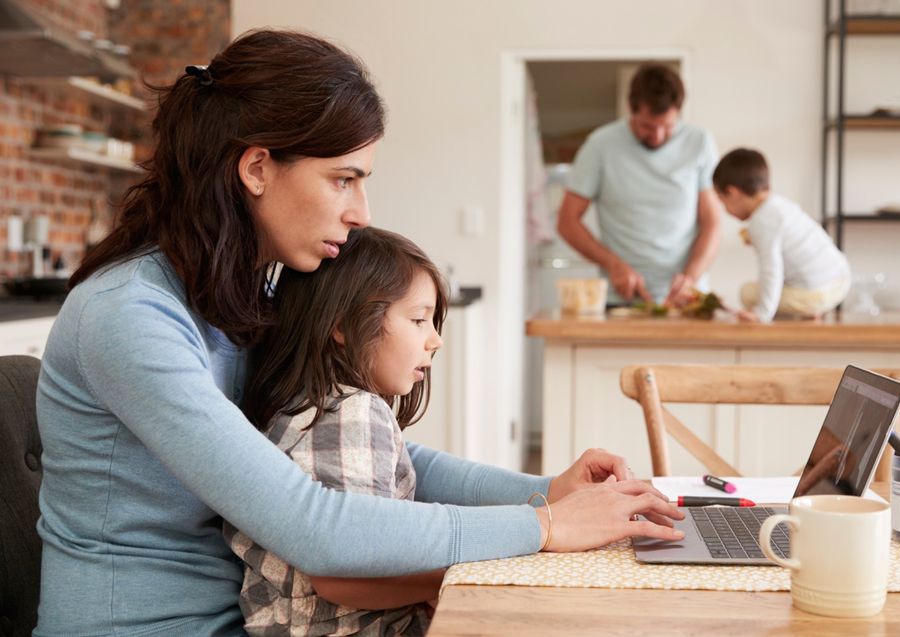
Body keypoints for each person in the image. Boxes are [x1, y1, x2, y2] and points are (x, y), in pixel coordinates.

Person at [34, 29, 683, 635]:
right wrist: (544, 525)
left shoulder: (244, 294)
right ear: (257, 168)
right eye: (343, 178)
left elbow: (379, 450)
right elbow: (312, 525)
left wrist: (547, 490)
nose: (360, 212)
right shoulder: (130, 317)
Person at [225, 227, 448, 636]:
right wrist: (456, 576)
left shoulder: (301, 405)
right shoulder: (352, 412)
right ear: (343, 325)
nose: (435, 339)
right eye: (419, 319)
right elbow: (347, 573)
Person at [556, 62, 722, 307]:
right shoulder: (600, 146)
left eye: (667, 126)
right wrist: (612, 264)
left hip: (686, 300)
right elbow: (567, 222)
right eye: (647, 126)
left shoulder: (699, 142)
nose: (657, 136)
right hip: (620, 300)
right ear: (631, 111)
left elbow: (712, 222)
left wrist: (691, 277)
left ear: (678, 112)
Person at [712, 147, 851, 323]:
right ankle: (809, 311)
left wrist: (761, 313)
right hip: (840, 281)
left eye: (722, 202)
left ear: (733, 193)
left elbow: (771, 269)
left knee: (748, 293)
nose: (725, 210)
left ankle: (805, 309)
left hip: (816, 293)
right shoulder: (780, 206)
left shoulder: (761, 221)